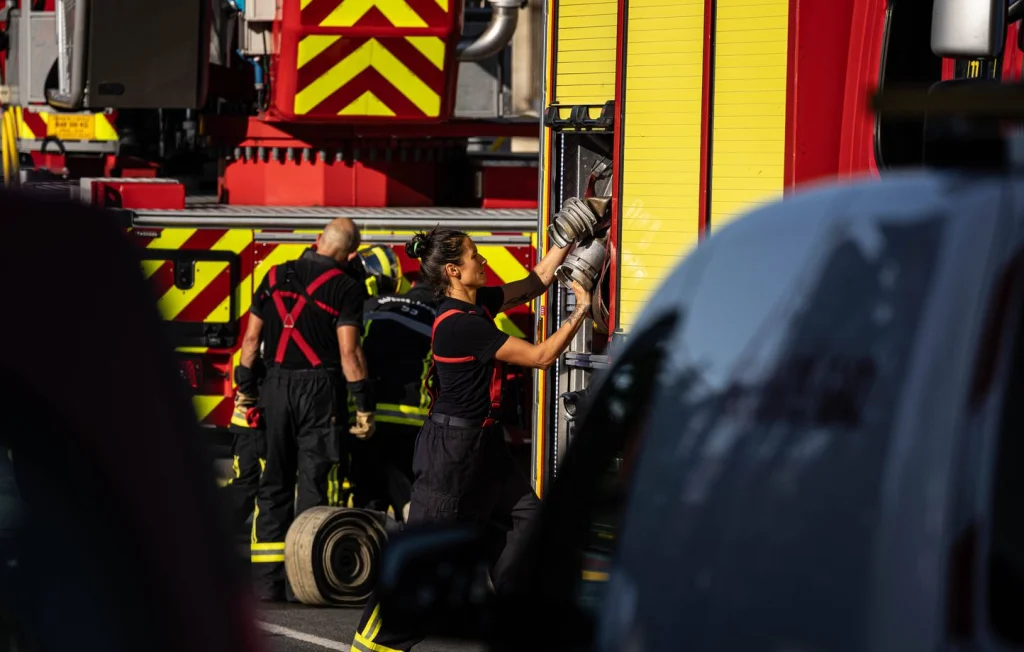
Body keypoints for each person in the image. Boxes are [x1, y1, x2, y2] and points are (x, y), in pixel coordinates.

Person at [352, 227, 592, 652]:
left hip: (486, 448)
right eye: (474, 257)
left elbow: (534, 282)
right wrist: (581, 311)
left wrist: (568, 238)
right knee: (424, 565)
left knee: (530, 523)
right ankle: (373, 644)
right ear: (453, 271)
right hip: (453, 456)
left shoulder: (476, 305)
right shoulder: (460, 326)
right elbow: (540, 356)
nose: (482, 262)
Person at [237, 217, 377, 602]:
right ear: (351, 254)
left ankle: (266, 584)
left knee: (273, 486)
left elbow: (250, 342)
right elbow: (349, 354)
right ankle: (306, 583)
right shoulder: (347, 288)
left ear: (317, 241)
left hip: (275, 387)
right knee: (315, 483)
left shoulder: (275, 274)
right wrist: (364, 407)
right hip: (320, 391)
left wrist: (247, 391)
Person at [348, 246, 439, 522]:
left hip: (368, 416)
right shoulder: (436, 315)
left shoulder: (366, 308)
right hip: (413, 420)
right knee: (408, 490)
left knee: (368, 493)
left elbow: (351, 354)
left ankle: (366, 554)